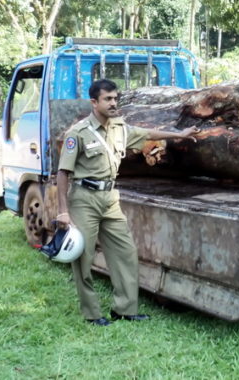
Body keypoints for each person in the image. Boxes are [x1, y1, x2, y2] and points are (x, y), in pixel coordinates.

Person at [56, 78, 200, 326]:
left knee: (126, 252)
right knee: (84, 257)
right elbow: (62, 173)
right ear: (94, 102)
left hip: (110, 199)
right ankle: (92, 314)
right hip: (84, 199)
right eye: (108, 99)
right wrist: (62, 212)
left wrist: (180, 134)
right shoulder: (77, 133)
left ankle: (124, 309)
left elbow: (147, 134)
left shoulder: (119, 127)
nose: (114, 103)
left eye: (115, 98)